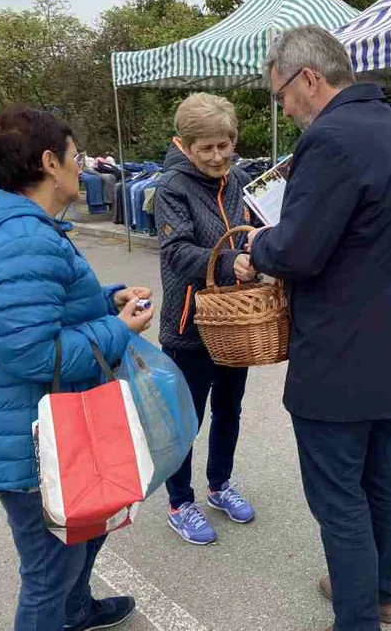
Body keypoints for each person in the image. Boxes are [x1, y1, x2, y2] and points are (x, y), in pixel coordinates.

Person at [246, 26, 391, 631]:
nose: (284, 107)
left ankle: (359, 617)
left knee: (338, 495)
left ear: (308, 77)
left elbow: (301, 250)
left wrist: (261, 245)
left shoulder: (330, 138)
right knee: (381, 474)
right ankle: (380, 590)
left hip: (339, 349)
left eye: (281, 92)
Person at [0, 104, 154, 630]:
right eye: (75, 158)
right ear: (48, 163)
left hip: (50, 424)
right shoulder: (21, 239)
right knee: (49, 570)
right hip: (31, 438)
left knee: (83, 532)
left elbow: (43, 311)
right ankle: (63, 608)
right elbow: (34, 353)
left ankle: (75, 613)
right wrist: (119, 329)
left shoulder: (27, 228)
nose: (81, 168)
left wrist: (106, 301)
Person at [153, 92, 257, 546]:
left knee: (229, 410)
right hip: (189, 325)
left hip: (234, 320)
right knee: (185, 421)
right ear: (184, 145)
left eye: (225, 145)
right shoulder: (172, 188)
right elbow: (176, 253)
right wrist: (230, 259)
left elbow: (246, 224)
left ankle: (219, 485)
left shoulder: (237, 180)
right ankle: (180, 502)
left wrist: (256, 237)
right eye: (206, 148)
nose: (218, 156)